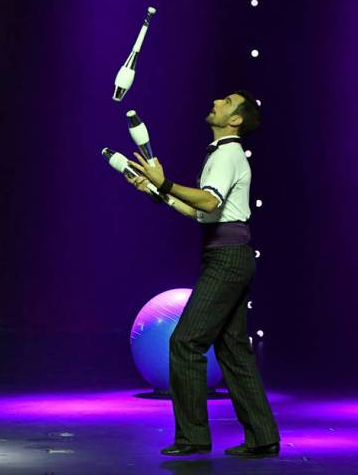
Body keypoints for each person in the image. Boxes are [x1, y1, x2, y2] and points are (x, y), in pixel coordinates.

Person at [128, 91, 280, 458]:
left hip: (227, 259)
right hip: (229, 256)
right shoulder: (222, 153)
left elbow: (209, 201)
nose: (216, 101)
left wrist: (165, 183)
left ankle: (193, 437)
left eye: (227, 102)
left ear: (236, 120)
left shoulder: (227, 154)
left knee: (185, 342)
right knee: (232, 349)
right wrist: (157, 191)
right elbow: (200, 213)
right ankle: (262, 436)